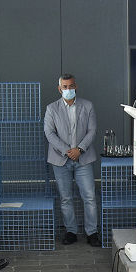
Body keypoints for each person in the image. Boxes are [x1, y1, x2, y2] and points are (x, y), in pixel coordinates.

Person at [43, 73, 101, 245]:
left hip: (83, 159)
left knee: (89, 197)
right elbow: (49, 133)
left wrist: (80, 149)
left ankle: (92, 233)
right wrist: (67, 151)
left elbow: (92, 131)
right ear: (59, 89)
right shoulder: (51, 109)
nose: (68, 89)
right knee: (66, 198)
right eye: (65, 87)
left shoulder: (87, 106)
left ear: (76, 87)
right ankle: (71, 231)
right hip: (61, 160)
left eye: (71, 86)